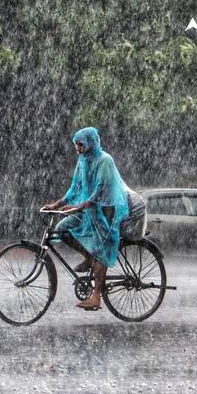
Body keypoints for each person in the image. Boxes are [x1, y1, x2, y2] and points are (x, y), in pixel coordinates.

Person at [42, 127, 130, 311]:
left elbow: (99, 192)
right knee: (62, 229)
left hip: (107, 210)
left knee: (101, 251)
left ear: (91, 143)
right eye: (76, 145)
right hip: (89, 209)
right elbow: (75, 187)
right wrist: (57, 205)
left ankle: (96, 295)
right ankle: (88, 256)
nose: (78, 148)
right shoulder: (83, 161)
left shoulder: (105, 161)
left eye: (81, 144)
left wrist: (77, 206)